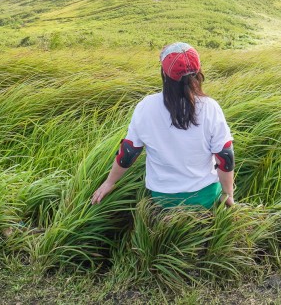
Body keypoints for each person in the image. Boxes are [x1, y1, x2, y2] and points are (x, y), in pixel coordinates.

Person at [90, 42, 235, 209]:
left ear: (164, 74)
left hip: (164, 199)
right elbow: (225, 155)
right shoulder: (210, 107)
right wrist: (228, 194)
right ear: (198, 73)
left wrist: (109, 182)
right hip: (205, 197)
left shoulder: (146, 107)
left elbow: (128, 152)